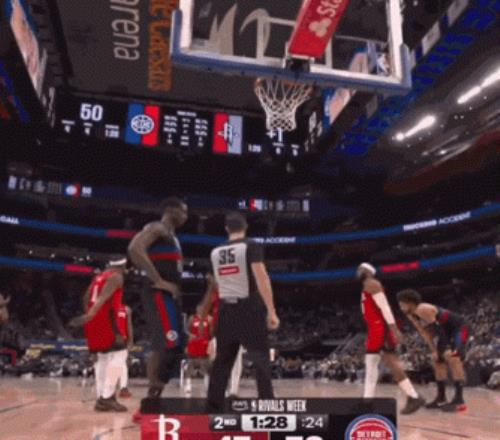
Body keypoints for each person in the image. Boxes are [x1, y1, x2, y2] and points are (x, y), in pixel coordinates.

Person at [206, 212, 280, 412]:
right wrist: (271, 310)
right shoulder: (250, 245)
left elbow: (215, 283)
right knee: (260, 359)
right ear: (245, 227)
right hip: (248, 307)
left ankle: (212, 408)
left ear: (226, 229)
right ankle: (267, 404)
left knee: (222, 363)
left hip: (225, 309)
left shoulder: (215, 251)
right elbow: (261, 277)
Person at [127, 197, 188, 398]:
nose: (186, 216)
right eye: (183, 211)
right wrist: (158, 280)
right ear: (171, 210)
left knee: (177, 345)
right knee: (165, 344)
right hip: (159, 293)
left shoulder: (172, 236)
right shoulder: (157, 228)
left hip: (170, 294)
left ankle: (156, 392)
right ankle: (153, 393)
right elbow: (135, 248)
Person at [357, 263, 424, 414]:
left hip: (381, 328)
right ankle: (367, 401)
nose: (358, 271)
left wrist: (393, 328)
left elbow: (385, 307)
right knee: (371, 364)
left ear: (369, 272)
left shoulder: (372, 283)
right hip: (374, 329)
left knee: (391, 363)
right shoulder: (367, 286)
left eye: (361, 269)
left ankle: (413, 396)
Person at [70, 257, 129, 412]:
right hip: (106, 319)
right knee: (120, 355)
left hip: (94, 321)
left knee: (102, 358)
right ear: (122, 266)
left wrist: (89, 316)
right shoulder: (116, 277)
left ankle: (102, 396)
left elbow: (86, 298)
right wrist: (91, 315)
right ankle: (107, 397)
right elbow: (103, 298)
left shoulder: (98, 277)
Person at [397, 289, 469, 412]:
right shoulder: (411, 315)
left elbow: (439, 330)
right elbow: (425, 333)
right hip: (445, 332)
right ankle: (441, 398)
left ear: (410, 303)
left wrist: (445, 348)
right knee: (437, 361)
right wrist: (434, 350)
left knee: (453, 358)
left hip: (458, 328)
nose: (400, 307)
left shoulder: (422, 309)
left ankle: (459, 400)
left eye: (402, 304)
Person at [201, 274, 245, 397]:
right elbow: (206, 307)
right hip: (219, 332)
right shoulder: (215, 294)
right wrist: (203, 323)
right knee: (215, 361)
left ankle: (233, 391)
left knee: (236, 362)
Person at [183, 304, 213, 395]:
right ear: (197, 310)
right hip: (194, 344)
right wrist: (190, 335)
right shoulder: (192, 318)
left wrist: (211, 344)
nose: (201, 310)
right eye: (199, 308)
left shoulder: (209, 319)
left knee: (206, 366)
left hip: (204, 344)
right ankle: (188, 385)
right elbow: (186, 330)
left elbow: (212, 332)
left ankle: (208, 386)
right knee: (190, 365)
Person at [117, 305, 133, 398]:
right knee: (114, 365)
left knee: (122, 364)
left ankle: (123, 388)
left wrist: (131, 340)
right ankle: (110, 389)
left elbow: (129, 325)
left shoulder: (126, 309)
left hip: (122, 340)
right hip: (109, 339)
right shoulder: (105, 307)